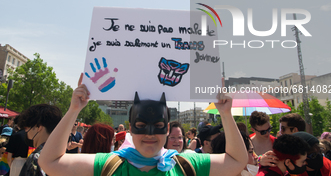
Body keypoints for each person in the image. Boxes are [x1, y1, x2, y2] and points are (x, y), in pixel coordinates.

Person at [38, 74, 248, 176]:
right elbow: (49, 162)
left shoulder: (186, 164)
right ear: (130, 127)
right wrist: (73, 110)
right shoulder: (109, 165)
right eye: (140, 124)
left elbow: (237, 161)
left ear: (166, 129)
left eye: (158, 125)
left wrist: (226, 114)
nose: (149, 133)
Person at [17, 103, 62, 176]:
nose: (26, 132)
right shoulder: (61, 154)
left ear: (39, 127)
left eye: (26, 128)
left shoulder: (37, 157)